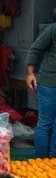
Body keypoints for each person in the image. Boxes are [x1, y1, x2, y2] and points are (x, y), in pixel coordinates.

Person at [28, 24, 56, 158]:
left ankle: (46, 160)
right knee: (45, 123)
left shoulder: (53, 28)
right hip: (49, 82)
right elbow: (36, 50)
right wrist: (30, 74)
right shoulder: (53, 29)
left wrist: (30, 73)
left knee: (45, 123)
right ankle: (44, 160)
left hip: (48, 82)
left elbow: (36, 49)